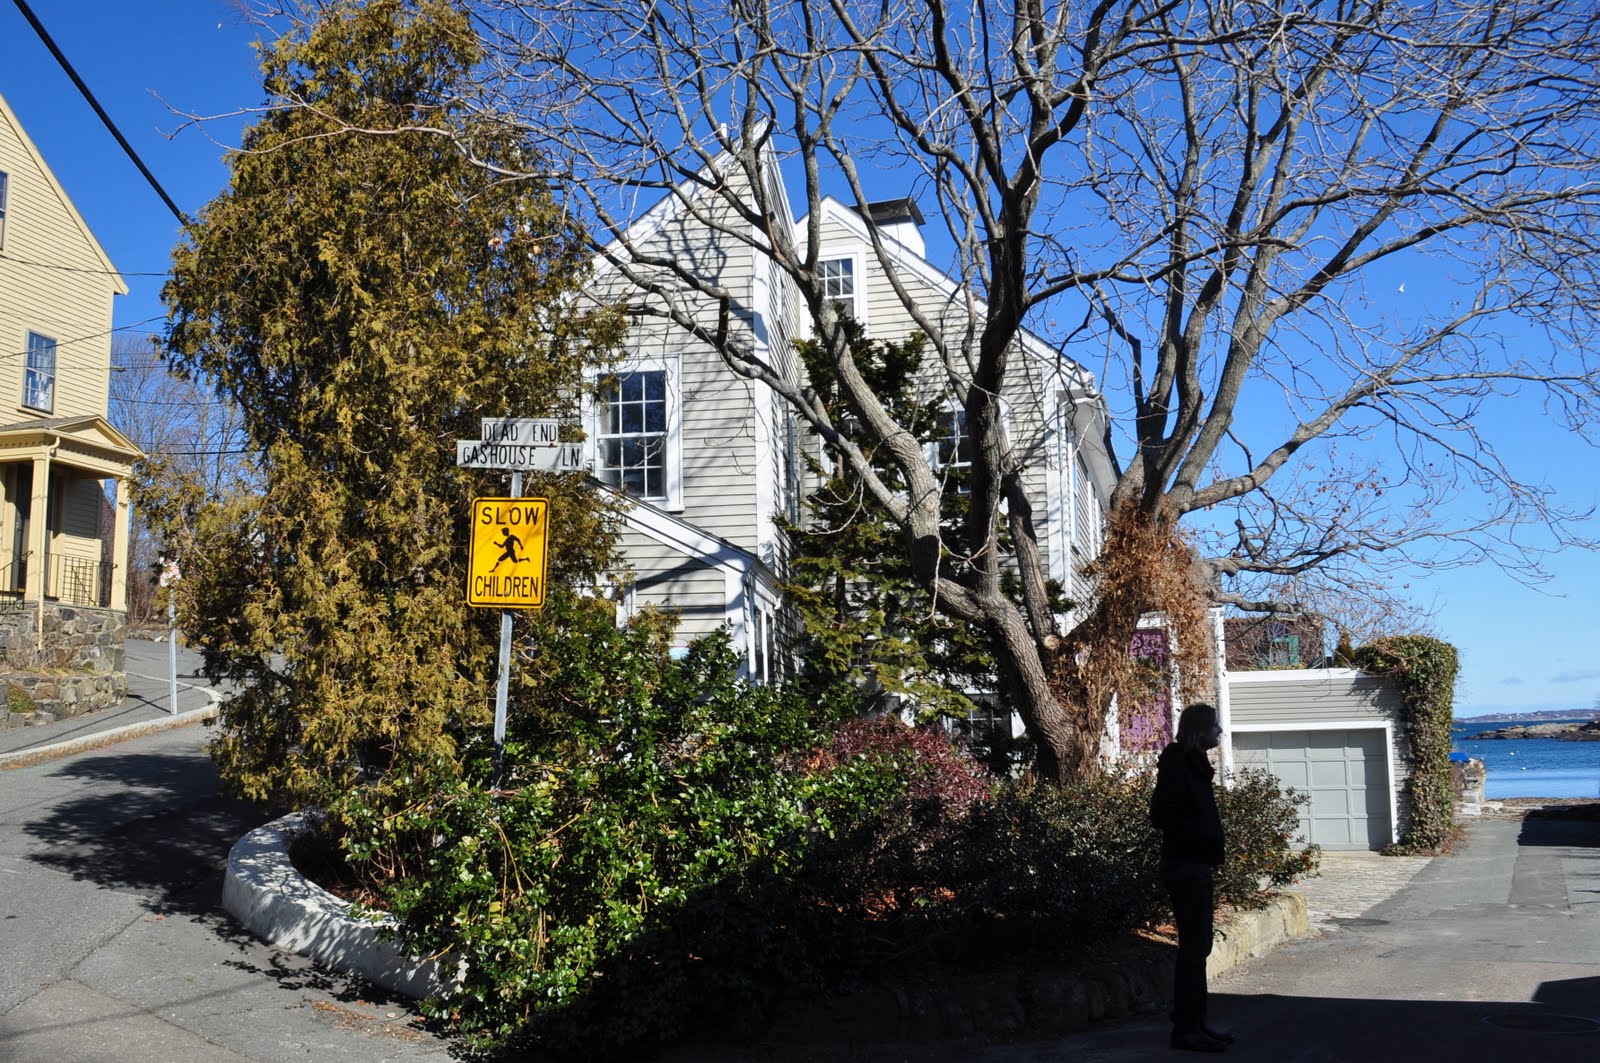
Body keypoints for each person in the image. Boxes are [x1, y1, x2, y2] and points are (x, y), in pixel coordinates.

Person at [1150, 702, 1233, 1053]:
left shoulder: (1196, 763)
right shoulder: (1177, 761)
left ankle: (1195, 1022)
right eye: (1215, 726)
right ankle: (1185, 1029)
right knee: (1193, 948)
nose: (1220, 732)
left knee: (1199, 947)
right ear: (1200, 730)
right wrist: (1200, 836)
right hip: (1185, 865)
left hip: (1197, 864)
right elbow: (1161, 813)